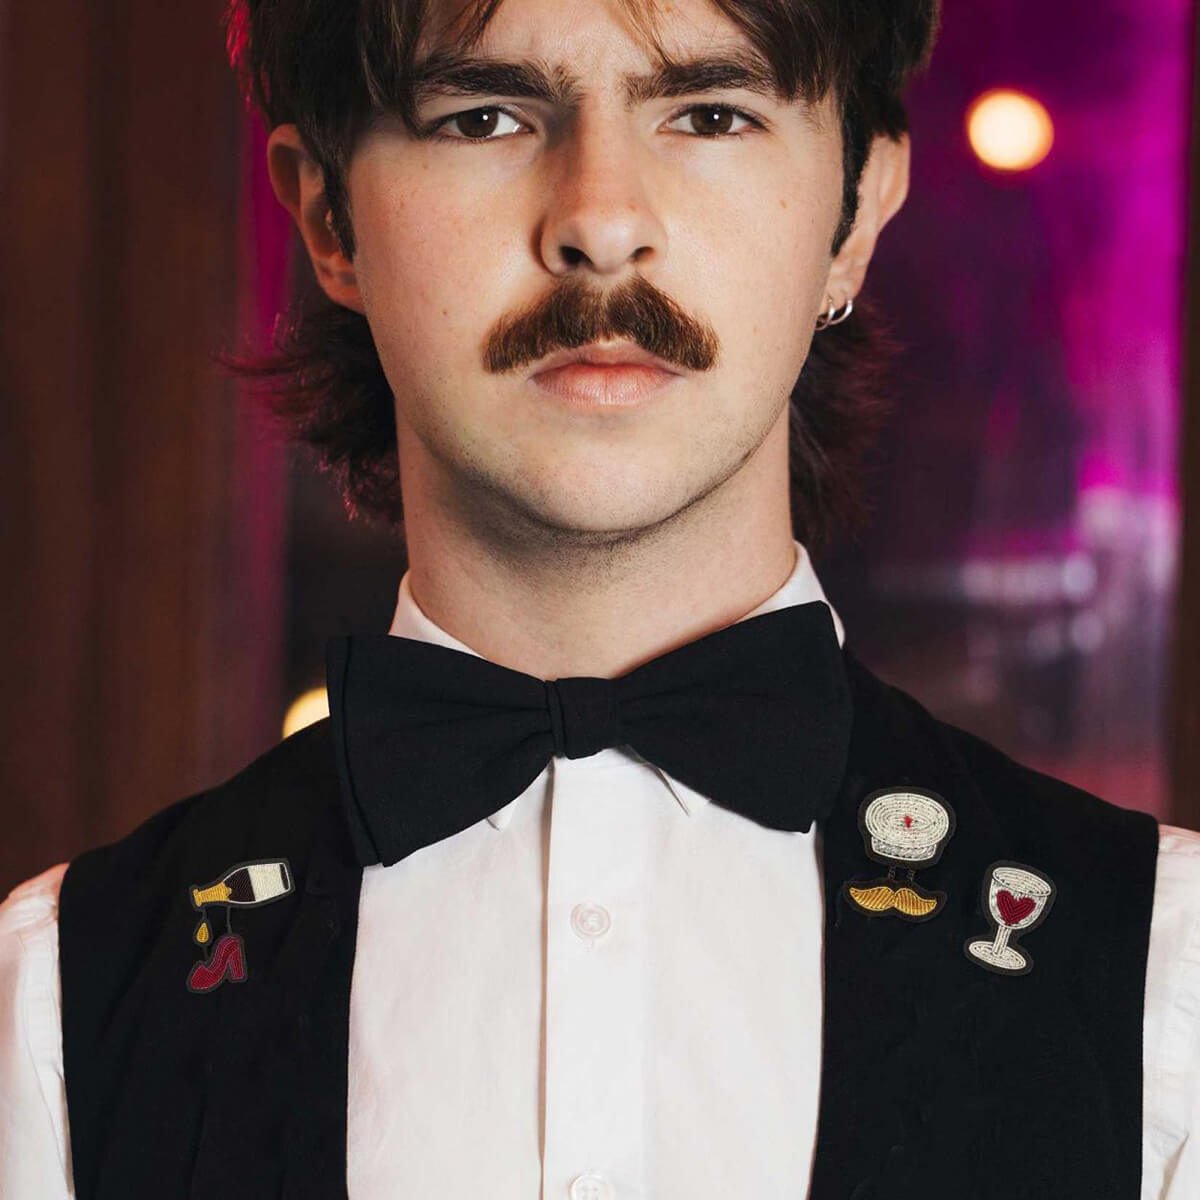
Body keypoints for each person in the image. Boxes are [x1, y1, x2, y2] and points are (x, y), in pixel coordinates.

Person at [2, 0, 1198, 1196]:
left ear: (856, 212)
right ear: (329, 219)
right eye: (483, 117)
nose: (602, 223)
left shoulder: (1173, 984)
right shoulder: (50, 1010)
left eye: (711, 114)